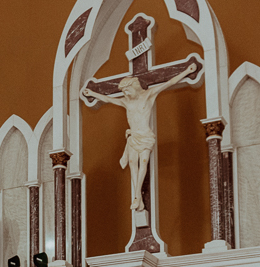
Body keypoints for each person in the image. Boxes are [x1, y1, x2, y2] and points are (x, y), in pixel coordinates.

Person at [82, 62, 198, 218]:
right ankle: (139, 200)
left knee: (143, 163)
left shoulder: (148, 95)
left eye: (127, 90)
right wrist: (93, 93)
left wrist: (186, 72)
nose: (126, 94)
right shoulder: (126, 101)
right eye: (124, 91)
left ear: (134, 87)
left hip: (145, 135)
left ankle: (137, 195)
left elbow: (169, 83)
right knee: (132, 165)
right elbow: (108, 99)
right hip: (133, 137)